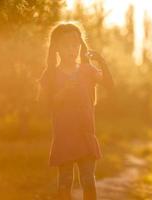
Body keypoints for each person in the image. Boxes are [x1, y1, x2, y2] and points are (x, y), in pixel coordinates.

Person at [36, 22, 114, 200]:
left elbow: (109, 85)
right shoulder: (50, 75)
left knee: (88, 180)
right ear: (56, 48)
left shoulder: (87, 70)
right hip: (63, 137)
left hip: (86, 135)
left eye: (75, 44)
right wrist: (63, 93)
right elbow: (43, 106)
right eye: (66, 45)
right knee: (65, 181)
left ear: (80, 46)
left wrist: (101, 61)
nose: (71, 49)